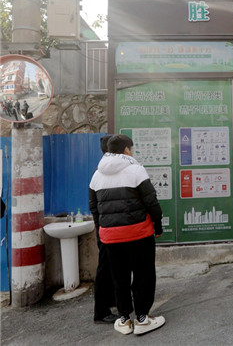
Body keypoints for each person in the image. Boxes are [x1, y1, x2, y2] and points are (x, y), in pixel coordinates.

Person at [89, 134, 165, 335]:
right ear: (126, 150)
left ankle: (124, 320)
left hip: (110, 236)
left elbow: (94, 207)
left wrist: (102, 230)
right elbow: (151, 201)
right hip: (138, 233)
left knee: (118, 277)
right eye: (131, 149)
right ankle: (142, 319)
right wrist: (158, 225)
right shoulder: (136, 170)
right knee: (143, 275)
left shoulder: (97, 174)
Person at [92, 134, 119, 325]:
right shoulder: (102, 173)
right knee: (105, 269)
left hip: (105, 227)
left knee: (112, 267)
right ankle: (101, 312)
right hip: (107, 229)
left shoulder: (101, 171)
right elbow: (95, 205)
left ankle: (112, 300)